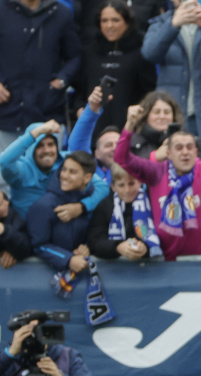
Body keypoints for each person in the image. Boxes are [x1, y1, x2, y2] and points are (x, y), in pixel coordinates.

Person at [115, 97, 201, 260]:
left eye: (189, 147)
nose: (185, 152)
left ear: (195, 151)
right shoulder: (156, 172)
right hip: (161, 262)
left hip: (198, 263)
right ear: (168, 154)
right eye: (179, 148)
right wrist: (129, 125)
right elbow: (122, 158)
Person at [141, 0, 201, 157]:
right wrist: (173, 25)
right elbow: (150, 53)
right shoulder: (161, 23)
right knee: (173, 178)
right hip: (174, 117)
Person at [0, 90, 111, 219]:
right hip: (27, 233)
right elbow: (3, 162)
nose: (47, 150)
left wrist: (82, 206)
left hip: (63, 230)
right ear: (31, 148)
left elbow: (102, 187)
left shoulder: (66, 161)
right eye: (40, 145)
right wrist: (34, 134)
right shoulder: (21, 170)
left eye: (51, 144)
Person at [0, 0, 81, 150]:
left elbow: (75, 56)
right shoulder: (2, 10)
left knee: (45, 173)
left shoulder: (60, 13)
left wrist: (61, 80)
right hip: (6, 116)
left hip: (47, 114)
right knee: (4, 171)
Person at [75, 0, 157, 132]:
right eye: (104, 20)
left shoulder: (140, 52)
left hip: (130, 129)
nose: (109, 25)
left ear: (127, 22)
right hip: (94, 128)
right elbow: (79, 88)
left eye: (115, 20)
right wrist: (79, 108)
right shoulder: (90, 52)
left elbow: (149, 91)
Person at [27, 151, 97, 273]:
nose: (64, 175)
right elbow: (38, 246)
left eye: (72, 172)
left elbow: (95, 233)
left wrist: (85, 247)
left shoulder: (91, 202)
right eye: (64, 169)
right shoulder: (44, 206)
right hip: (45, 279)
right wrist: (68, 259)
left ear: (87, 178)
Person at [87, 164, 162, 260]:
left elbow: (163, 234)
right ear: (113, 187)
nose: (127, 190)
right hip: (115, 270)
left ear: (139, 182)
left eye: (131, 184)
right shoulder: (104, 206)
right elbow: (95, 241)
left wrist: (145, 246)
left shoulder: (152, 202)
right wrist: (118, 247)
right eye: (121, 185)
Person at [128, 91, 186, 160]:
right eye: (156, 112)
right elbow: (126, 166)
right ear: (146, 115)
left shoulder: (187, 141)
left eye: (167, 112)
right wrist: (154, 157)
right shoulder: (132, 143)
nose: (162, 116)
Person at [0, 189, 31, 268]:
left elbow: (25, 247)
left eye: (0, 204)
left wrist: (4, 231)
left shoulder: (17, 219)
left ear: (7, 202)